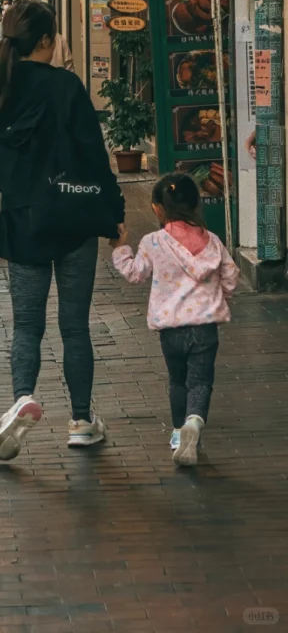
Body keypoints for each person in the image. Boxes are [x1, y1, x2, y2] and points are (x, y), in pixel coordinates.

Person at [0, 0, 125, 462]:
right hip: (74, 216)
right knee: (74, 326)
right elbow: (93, 153)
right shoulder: (66, 86)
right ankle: (81, 421)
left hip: (23, 221)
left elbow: (0, 165)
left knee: (27, 326)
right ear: (46, 40)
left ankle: (23, 398)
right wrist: (114, 209)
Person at [111, 171, 238, 467]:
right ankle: (195, 421)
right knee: (200, 382)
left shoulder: (153, 242)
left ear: (157, 208)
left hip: (171, 331)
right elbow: (230, 276)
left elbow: (135, 273)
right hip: (205, 328)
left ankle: (179, 432)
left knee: (178, 381)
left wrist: (120, 249)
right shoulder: (213, 241)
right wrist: (220, 295)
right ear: (196, 205)